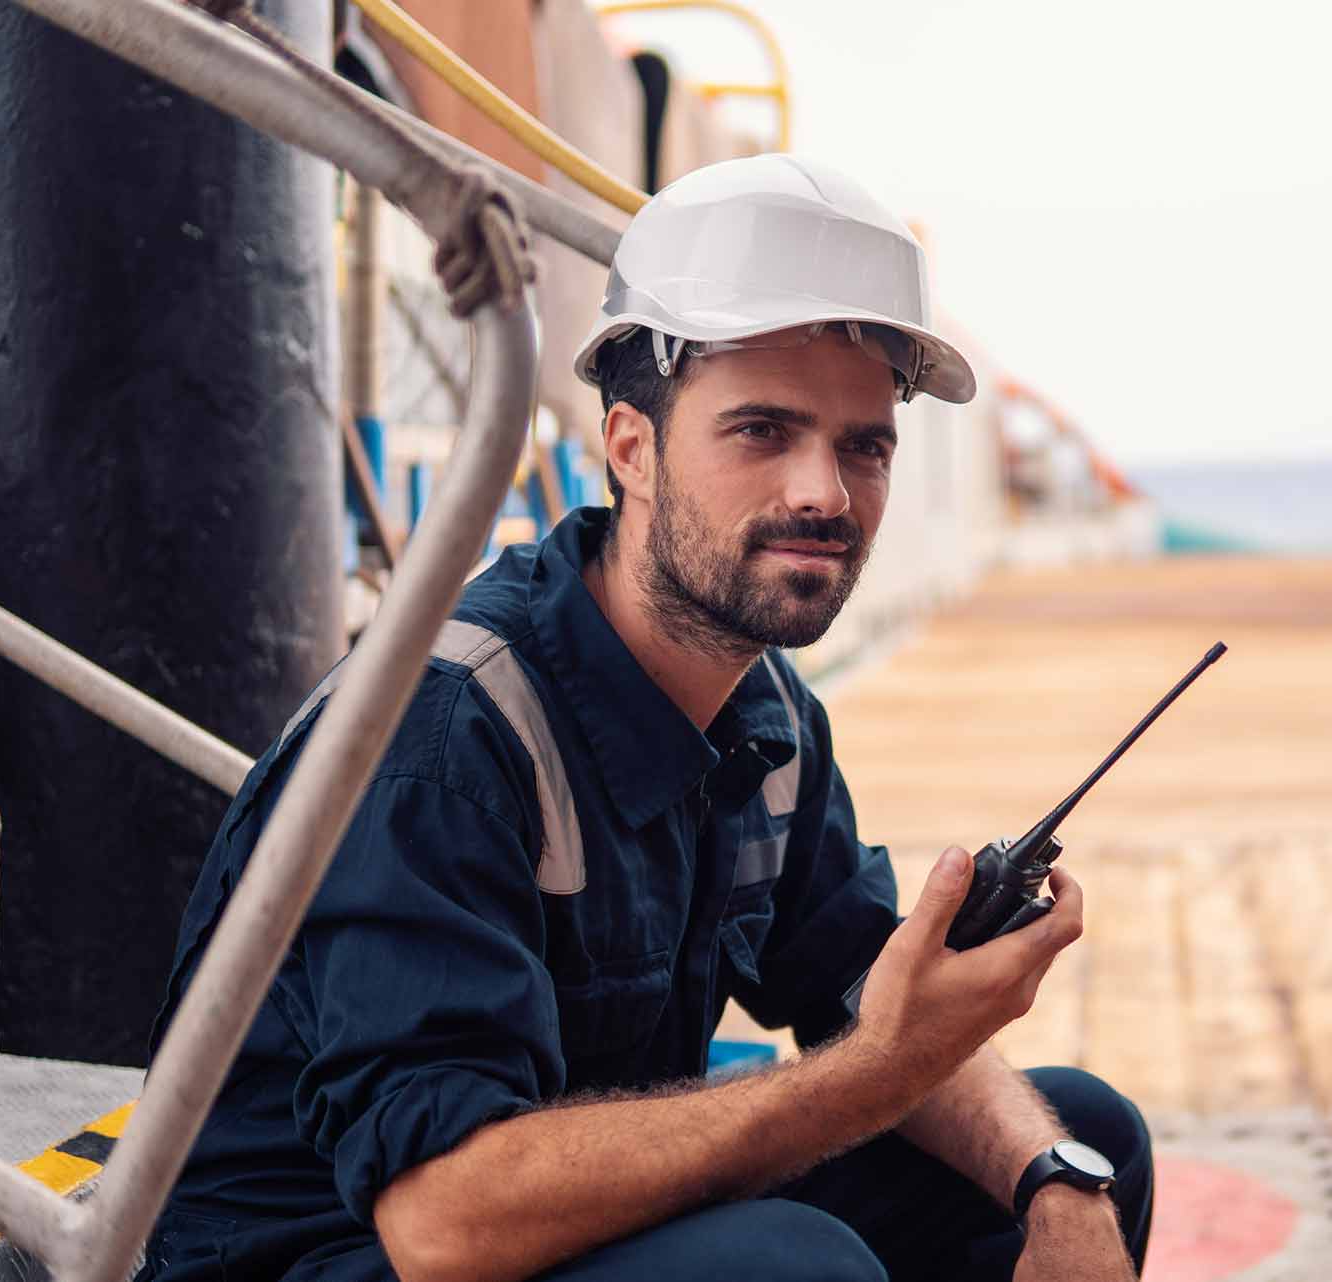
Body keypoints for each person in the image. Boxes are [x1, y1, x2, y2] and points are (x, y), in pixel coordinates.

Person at [139, 155, 1153, 1282]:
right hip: (333, 1252)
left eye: (862, 444)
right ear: (630, 447)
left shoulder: (762, 712)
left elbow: (863, 994)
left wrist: (1052, 1180)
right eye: (762, 431)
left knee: (1077, 1141)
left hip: (563, 1222)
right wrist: (873, 1069)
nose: (824, 492)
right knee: (789, 1269)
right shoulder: (445, 736)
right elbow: (443, 1222)